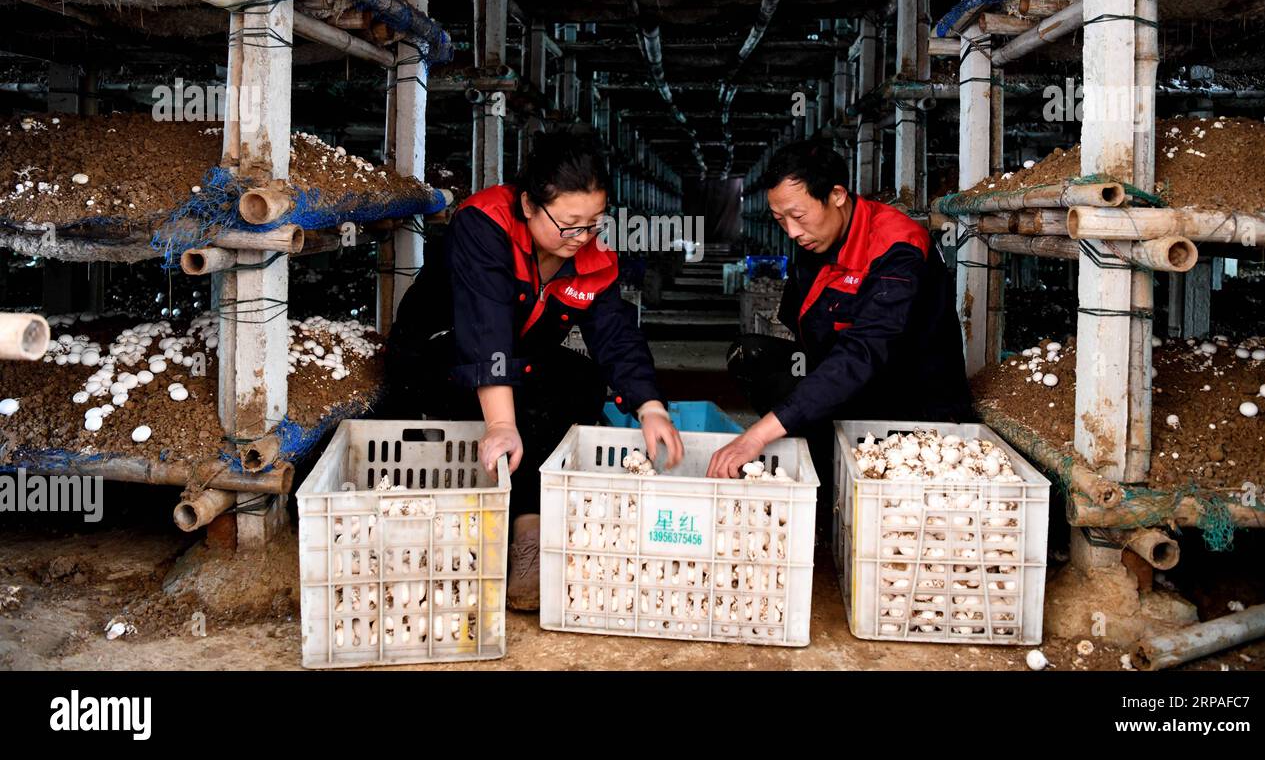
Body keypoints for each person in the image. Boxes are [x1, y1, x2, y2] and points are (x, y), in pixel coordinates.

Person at [382, 133, 684, 610]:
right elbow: (486, 328)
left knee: (581, 381)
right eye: (568, 225)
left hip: (515, 364)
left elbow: (615, 334)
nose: (581, 238)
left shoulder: (589, 257)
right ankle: (515, 524)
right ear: (528, 204)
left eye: (592, 224)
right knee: (518, 405)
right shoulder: (484, 225)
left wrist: (649, 406)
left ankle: (529, 526)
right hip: (439, 358)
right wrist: (502, 424)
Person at [708, 139, 973, 489]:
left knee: (805, 399)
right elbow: (800, 323)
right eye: (779, 219)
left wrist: (759, 434)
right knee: (752, 357)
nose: (792, 231)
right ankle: (819, 459)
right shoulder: (815, 238)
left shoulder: (897, 247)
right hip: (844, 379)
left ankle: (833, 477)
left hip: (907, 398)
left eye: (798, 216)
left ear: (836, 195)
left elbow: (864, 352)